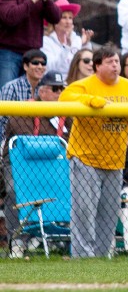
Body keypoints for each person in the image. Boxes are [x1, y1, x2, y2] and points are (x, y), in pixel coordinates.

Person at [58, 45, 128, 258]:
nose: (116, 66)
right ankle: (83, 257)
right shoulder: (84, 85)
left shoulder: (127, 86)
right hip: (86, 158)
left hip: (115, 160)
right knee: (84, 211)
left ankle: (101, 257)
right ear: (97, 66)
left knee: (109, 213)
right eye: (110, 62)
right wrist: (91, 101)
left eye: (117, 62)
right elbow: (65, 98)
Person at [1, 70, 69, 248]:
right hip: (19, 163)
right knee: (15, 190)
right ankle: (16, 241)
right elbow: (27, 141)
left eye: (62, 89)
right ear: (42, 92)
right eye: (55, 89)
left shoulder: (67, 111)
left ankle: (57, 238)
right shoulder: (24, 109)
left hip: (53, 163)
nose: (60, 93)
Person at [0, 0, 61, 86]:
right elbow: (11, 18)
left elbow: (56, 17)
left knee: (32, 98)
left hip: (34, 55)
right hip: (9, 54)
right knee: (6, 97)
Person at [0, 49, 48, 140]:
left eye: (43, 63)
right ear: (25, 66)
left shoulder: (46, 88)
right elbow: (2, 121)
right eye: (35, 63)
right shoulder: (11, 87)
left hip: (40, 140)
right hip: (10, 139)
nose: (40, 66)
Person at [42, 0, 94, 78]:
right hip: (56, 84)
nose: (68, 22)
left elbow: (87, 62)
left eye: (70, 18)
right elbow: (51, 68)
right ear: (54, 21)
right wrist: (67, 47)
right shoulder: (46, 41)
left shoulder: (76, 39)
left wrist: (85, 44)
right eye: (64, 17)